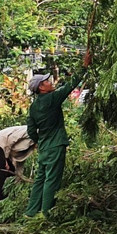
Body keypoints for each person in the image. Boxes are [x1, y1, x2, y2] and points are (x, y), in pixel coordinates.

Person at [24, 72, 81, 217]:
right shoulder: (52, 99)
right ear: (41, 88)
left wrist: (39, 141)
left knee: (40, 179)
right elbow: (70, 85)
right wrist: (84, 67)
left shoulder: (34, 106)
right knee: (51, 181)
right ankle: (46, 213)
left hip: (44, 147)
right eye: (47, 81)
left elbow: (31, 130)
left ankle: (31, 212)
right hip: (55, 145)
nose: (51, 82)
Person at [0, 125, 35, 201]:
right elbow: (11, 139)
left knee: (11, 174)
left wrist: (19, 177)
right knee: (2, 172)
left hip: (5, 149)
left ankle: (10, 199)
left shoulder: (32, 144)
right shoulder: (31, 131)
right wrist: (5, 158)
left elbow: (19, 160)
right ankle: (1, 201)